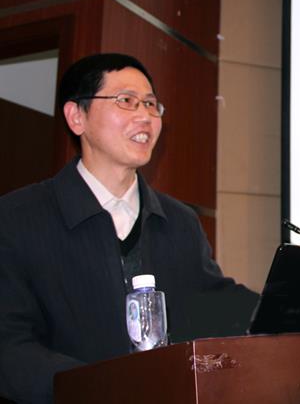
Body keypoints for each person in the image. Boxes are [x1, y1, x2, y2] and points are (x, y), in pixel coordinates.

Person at [0, 54, 258, 404]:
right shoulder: (17, 218)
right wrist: (100, 388)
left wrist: (291, 307)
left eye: (151, 104)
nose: (145, 116)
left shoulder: (179, 221)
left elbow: (213, 306)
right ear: (76, 117)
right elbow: (10, 346)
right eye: (126, 101)